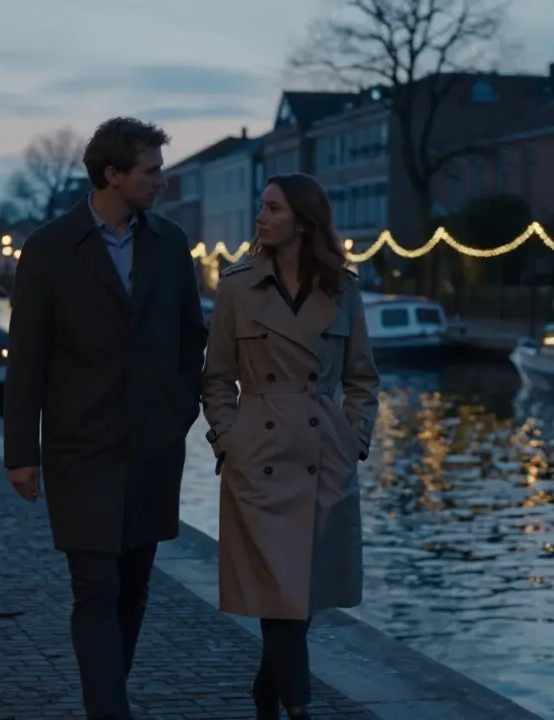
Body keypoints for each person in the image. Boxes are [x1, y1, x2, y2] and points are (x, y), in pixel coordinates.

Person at [2, 117, 208, 720]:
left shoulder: (170, 246)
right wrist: (21, 452)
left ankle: (108, 691)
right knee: (96, 587)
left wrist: (180, 409)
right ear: (111, 175)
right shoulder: (49, 248)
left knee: (134, 586)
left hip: (151, 446)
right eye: (151, 171)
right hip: (79, 448)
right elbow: (28, 356)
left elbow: (190, 338)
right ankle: (109, 711)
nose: (162, 182)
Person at [200, 173, 380, 720]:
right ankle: (298, 708)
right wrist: (231, 440)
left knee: (298, 601)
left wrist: (355, 441)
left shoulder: (343, 289)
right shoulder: (236, 287)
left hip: (324, 456)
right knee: (279, 598)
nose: (260, 217)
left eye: (273, 208)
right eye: (261, 206)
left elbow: (362, 378)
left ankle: (267, 692)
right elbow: (215, 378)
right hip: (259, 461)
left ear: (302, 221)